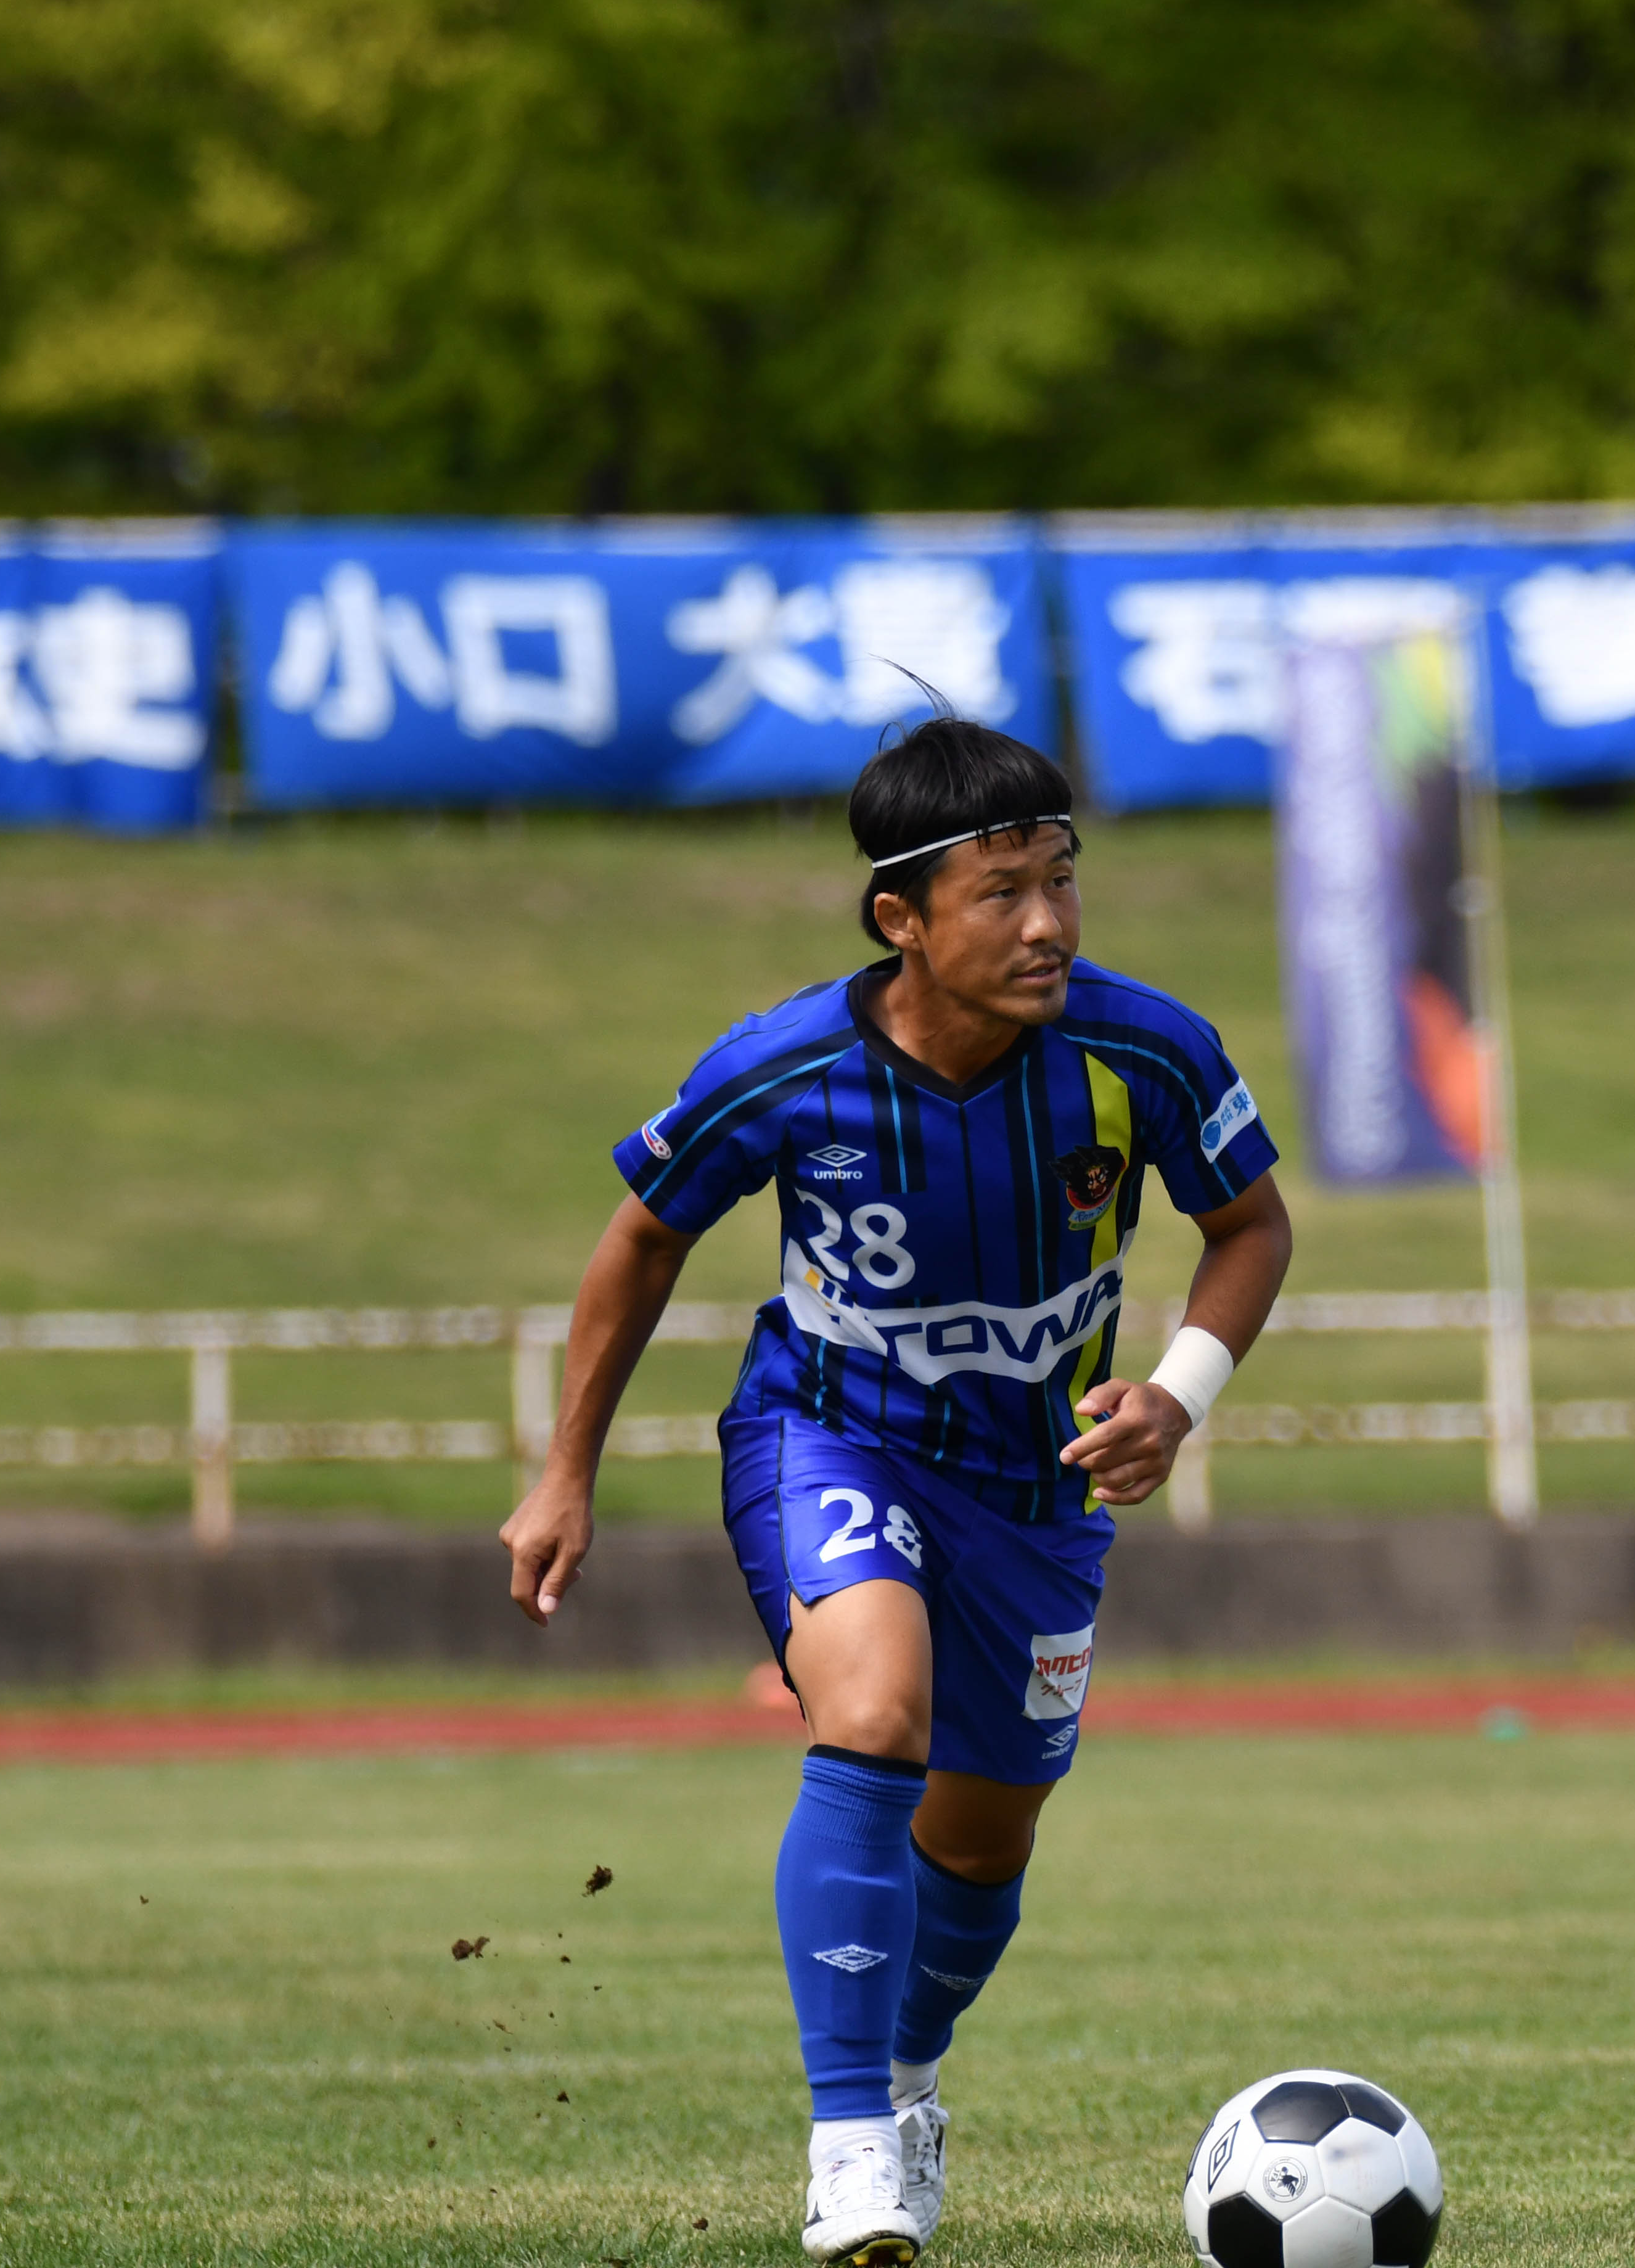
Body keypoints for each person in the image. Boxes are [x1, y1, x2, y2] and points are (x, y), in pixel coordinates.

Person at [498, 716, 1293, 2266]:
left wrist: (1176, 1399)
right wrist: (564, 1469)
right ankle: (852, 2134)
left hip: (1041, 1486)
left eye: (1062, 880)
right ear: (901, 919)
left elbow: (1250, 1224)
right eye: (1002, 893)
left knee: (985, 1848)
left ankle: (911, 2069)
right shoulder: (782, 1064)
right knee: (871, 1715)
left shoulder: (1147, 1049)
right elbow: (643, 1235)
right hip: (826, 1435)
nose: (1049, 922)